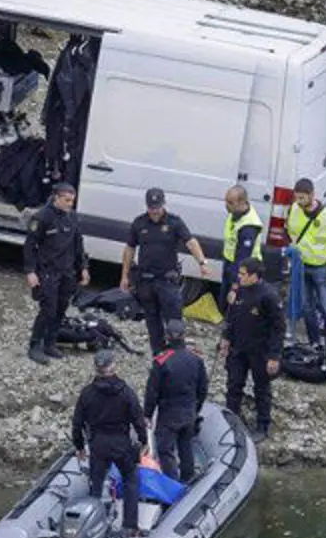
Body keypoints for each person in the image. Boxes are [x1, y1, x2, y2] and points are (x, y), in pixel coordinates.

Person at [121, 187, 211, 353]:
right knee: (152, 321)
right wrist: (125, 276)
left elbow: (191, 242)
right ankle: (158, 355)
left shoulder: (174, 222)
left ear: (164, 204)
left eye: (157, 207)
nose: (154, 211)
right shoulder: (139, 223)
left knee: (174, 321)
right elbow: (129, 249)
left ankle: (177, 356)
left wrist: (202, 262)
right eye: (151, 208)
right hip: (146, 281)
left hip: (167, 280)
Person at [71, 349, 149, 538]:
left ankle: (92, 525)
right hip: (121, 442)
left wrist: (79, 446)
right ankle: (129, 525)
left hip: (98, 444)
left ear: (96, 369)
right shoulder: (126, 392)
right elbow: (138, 419)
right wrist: (144, 440)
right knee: (130, 479)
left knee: (96, 485)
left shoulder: (87, 393)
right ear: (113, 366)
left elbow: (77, 422)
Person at [219, 257, 285, 442]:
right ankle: (231, 421)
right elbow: (232, 317)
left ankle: (262, 426)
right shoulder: (240, 291)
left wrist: (274, 356)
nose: (239, 277)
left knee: (261, 389)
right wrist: (226, 338)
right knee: (234, 384)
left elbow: (279, 328)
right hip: (239, 348)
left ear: (254, 276)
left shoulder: (269, 296)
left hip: (260, 350)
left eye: (243, 274)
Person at [24, 181, 90, 365]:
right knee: (48, 309)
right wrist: (30, 271)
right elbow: (30, 246)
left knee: (61, 308)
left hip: (67, 271)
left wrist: (83, 268)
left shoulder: (72, 217)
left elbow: (78, 244)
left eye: (72, 200)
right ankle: (35, 345)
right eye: (67, 200)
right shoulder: (42, 217)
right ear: (56, 198)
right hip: (48, 271)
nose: (70, 204)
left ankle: (50, 342)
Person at [286, 177, 326, 371]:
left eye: (303, 198)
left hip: (320, 269)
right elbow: (287, 231)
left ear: (312, 195)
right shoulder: (293, 209)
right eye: (297, 198)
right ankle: (315, 344)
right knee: (307, 307)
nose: (299, 202)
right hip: (301, 267)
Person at [143, 319, 209, 482]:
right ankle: (188, 477)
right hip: (188, 410)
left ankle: (172, 483)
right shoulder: (196, 360)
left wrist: (147, 414)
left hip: (169, 413)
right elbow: (203, 388)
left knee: (165, 449)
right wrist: (196, 407)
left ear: (166, 337)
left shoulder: (161, 362)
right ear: (185, 335)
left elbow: (152, 391)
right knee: (185, 445)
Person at [220, 185, 265, 310]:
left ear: (242, 202)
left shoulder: (248, 227)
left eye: (230, 202)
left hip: (247, 270)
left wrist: (235, 286)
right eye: (226, 201)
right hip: (230, 263)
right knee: (224, 303)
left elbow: (243, 258)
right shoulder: (236, 212)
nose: (226, 205)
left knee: (235, 306)